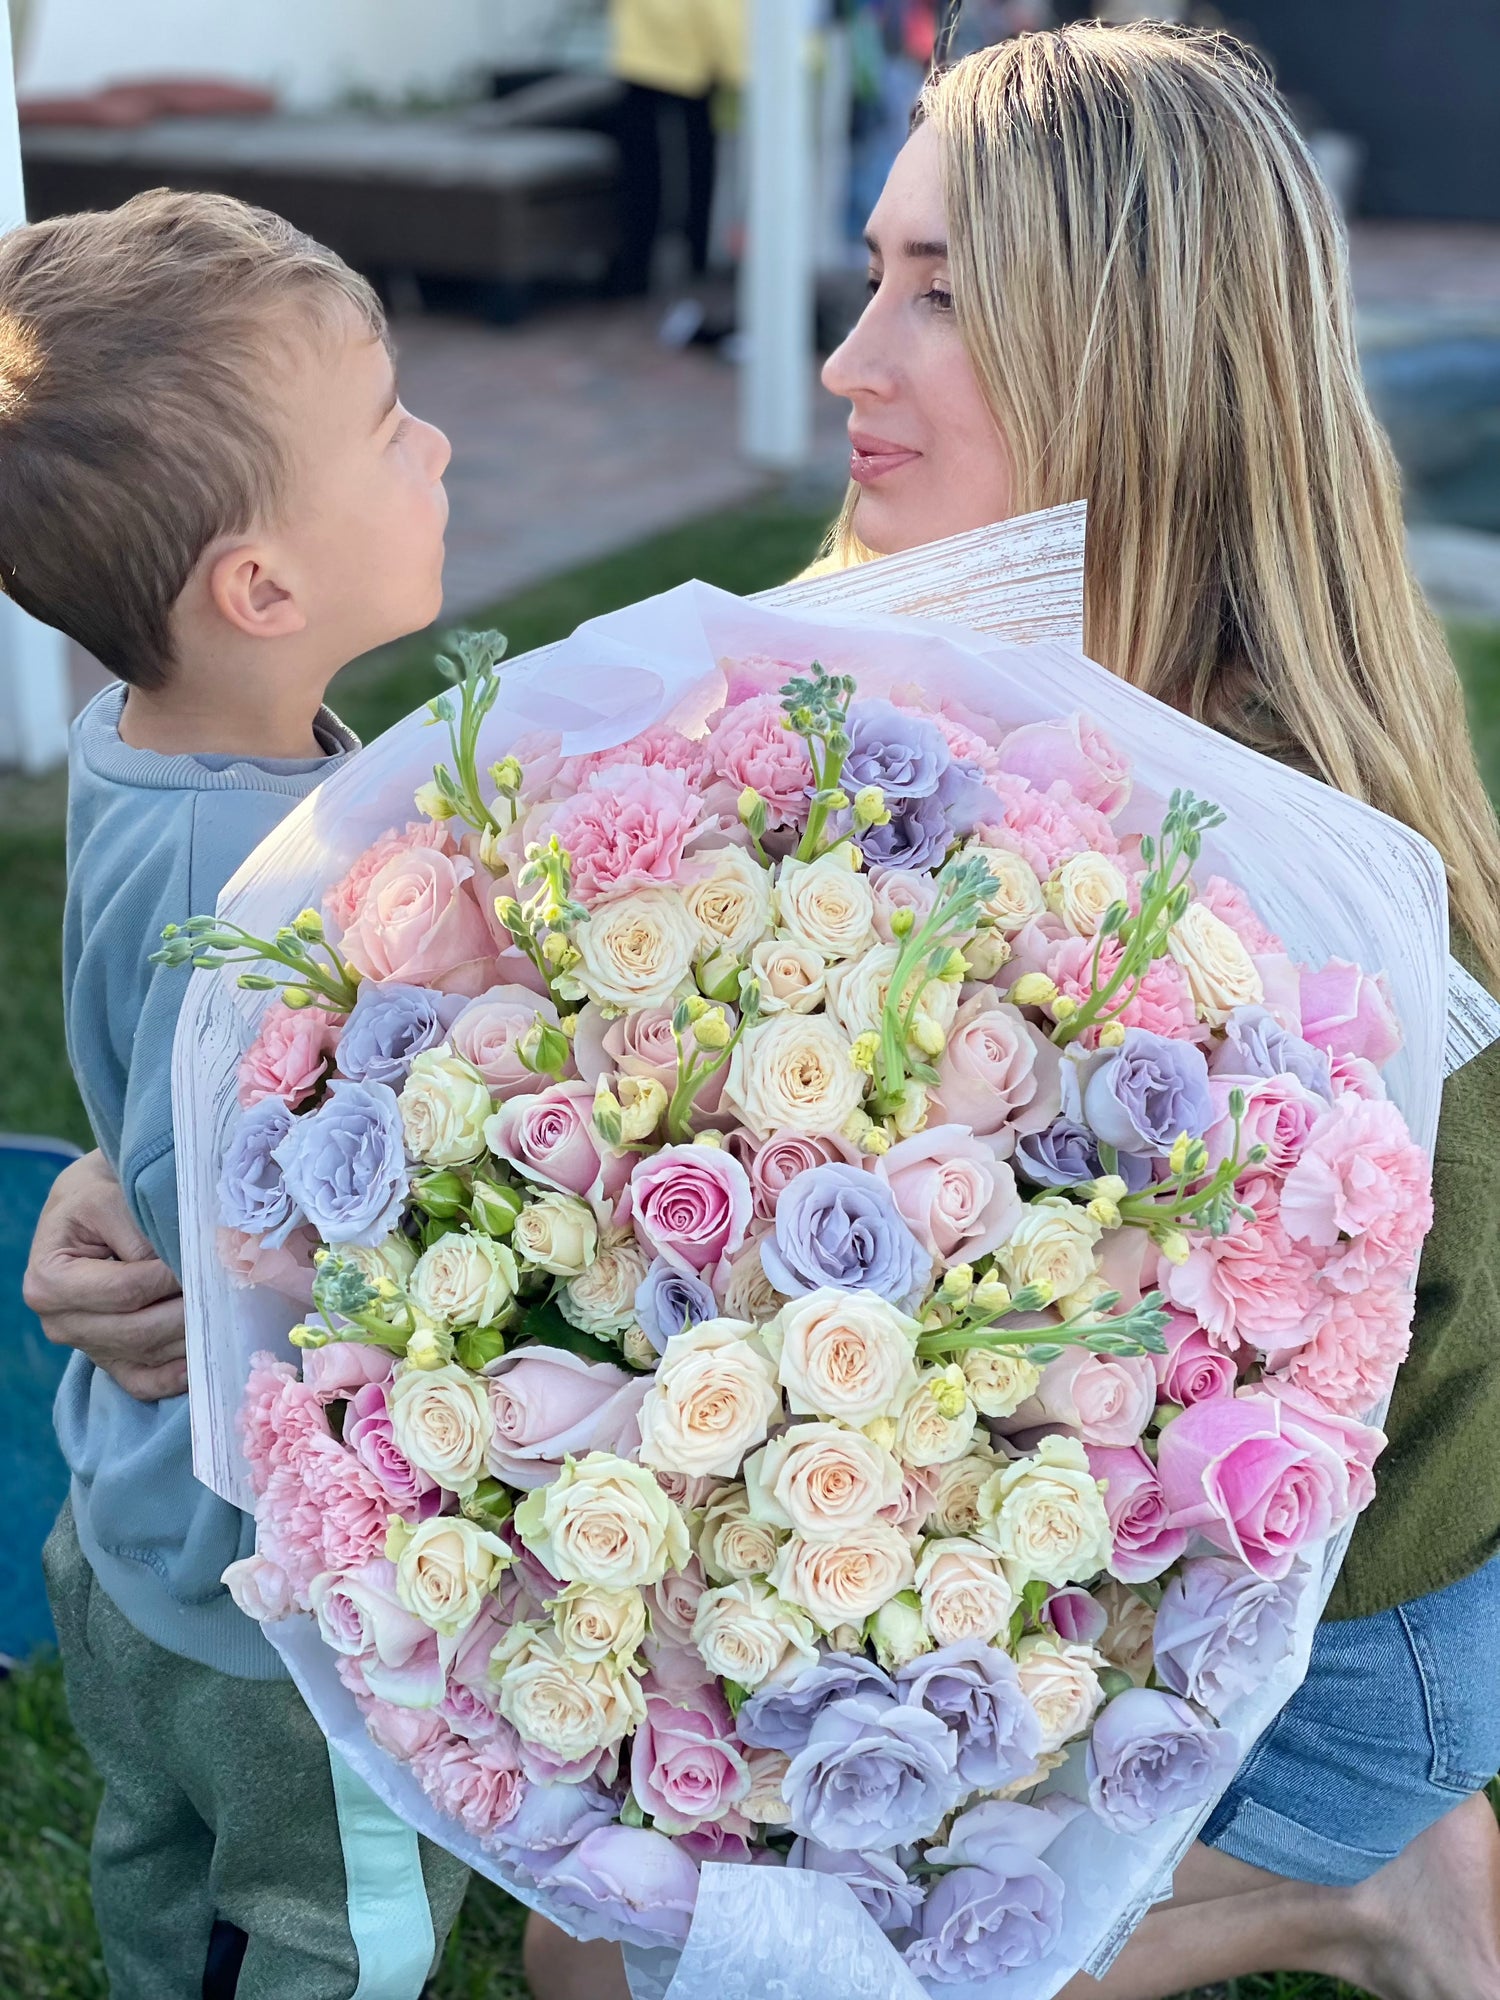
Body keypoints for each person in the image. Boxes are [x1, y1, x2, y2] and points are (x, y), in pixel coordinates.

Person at [27, 26, 1500, 2000]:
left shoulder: (1273, 924)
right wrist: (187, 1223)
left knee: (663, 1955)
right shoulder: (843, 706)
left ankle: (1376, 1882)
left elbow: (1195, 1517)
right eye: (872, 272)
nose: (842, 362)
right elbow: (519, 1039)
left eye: (940, 299)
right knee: (610, 1909)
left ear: (1134, 360)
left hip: (1318, 1636)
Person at [1, 190, 469, 1998]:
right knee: (331, 1929)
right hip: (263, 1586)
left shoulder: (144, 743)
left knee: (160, 1867)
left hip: (123, 1527)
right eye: (386, 426)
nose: (430, 442)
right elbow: (287, 1234)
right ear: (260, 589)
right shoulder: (256, 884)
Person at [606, 0, 744, 300]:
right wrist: (737, 63)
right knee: (696, 162)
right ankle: (696, 260)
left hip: (643, 49)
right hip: (692, 51)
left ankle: (637, 267)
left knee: (643, 166)